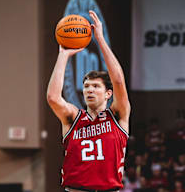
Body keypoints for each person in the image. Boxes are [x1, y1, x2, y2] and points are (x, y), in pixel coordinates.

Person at [47, 10, 130, 192]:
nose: (89, 90)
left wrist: (100, 39)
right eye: (86, 86)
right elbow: (53, 97)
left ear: (108, 94)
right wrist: (63, 55)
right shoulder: (73, 118)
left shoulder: (117, 115)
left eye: (95, 86)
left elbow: (118, 80)